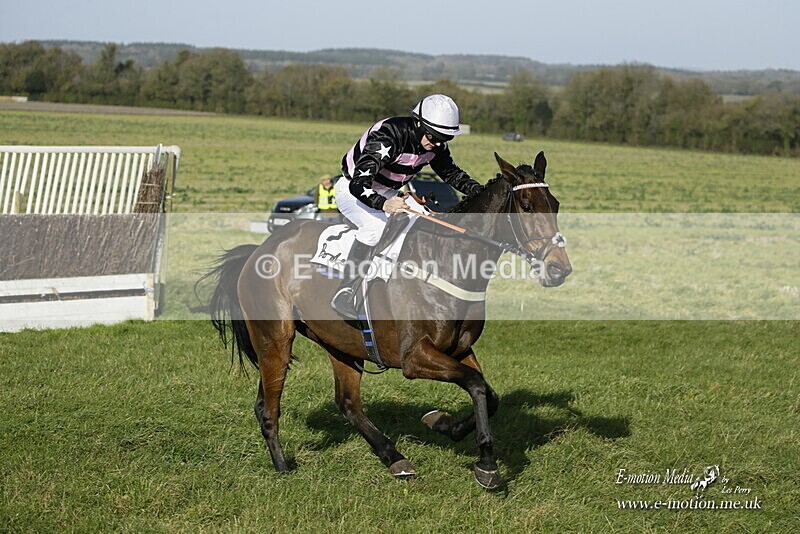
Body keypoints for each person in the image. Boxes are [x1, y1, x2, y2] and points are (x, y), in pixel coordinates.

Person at [331, 94, 483, 319]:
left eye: (444, 139)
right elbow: (358, 184)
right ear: (419, 123)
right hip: (353, 189)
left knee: (426, 224)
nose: (438, 144)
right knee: (375, 228)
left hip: (389, 192)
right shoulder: (389, 135)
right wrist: (383, 203)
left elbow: (451, 173)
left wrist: (483, 192)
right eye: (434, 137)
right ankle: (345, 290)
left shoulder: (435, 143)